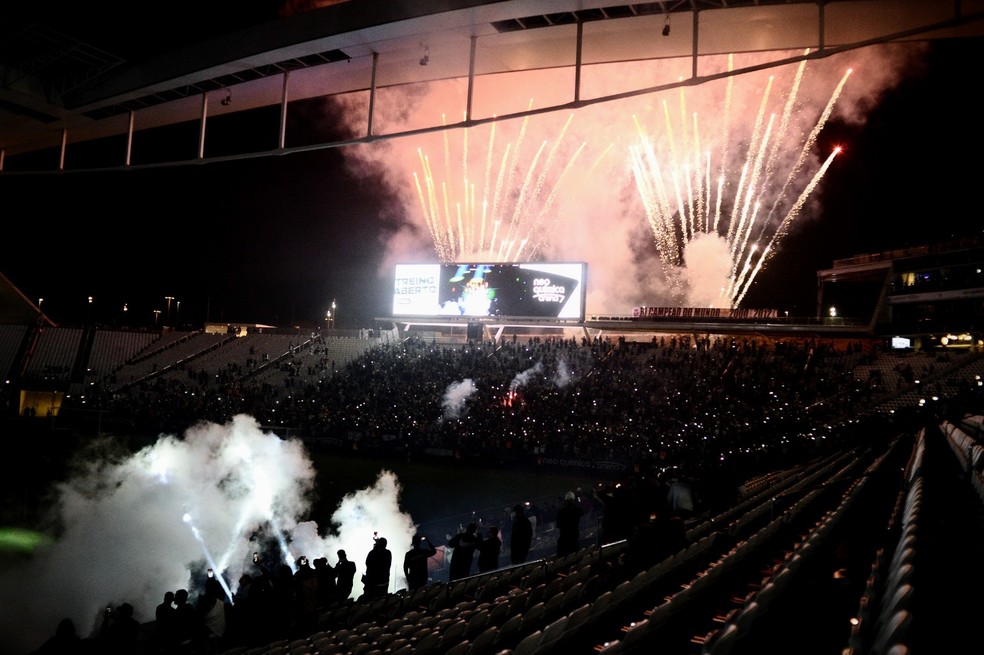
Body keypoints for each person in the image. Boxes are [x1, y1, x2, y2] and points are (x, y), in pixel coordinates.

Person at [556, 490, 585, 557]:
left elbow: (558, 525)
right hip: (575, 536)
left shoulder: (562, 512)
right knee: (575, 555)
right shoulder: (578, 510)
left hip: (564, 538)